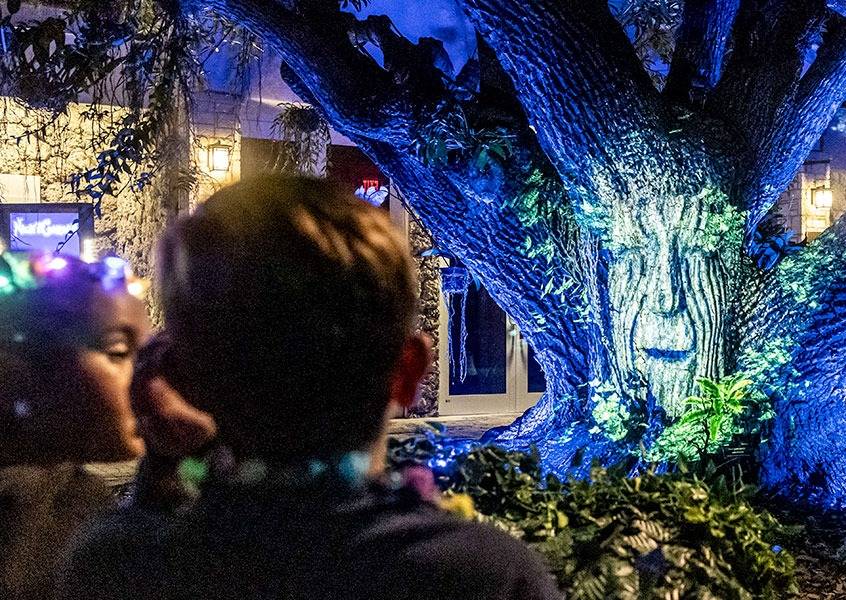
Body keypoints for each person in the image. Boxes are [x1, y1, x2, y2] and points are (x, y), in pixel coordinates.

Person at [60, 175, 562, 600]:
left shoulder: (115, 569)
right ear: (409, 371)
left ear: (185, 379)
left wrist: (165, 466)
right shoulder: (485, 577)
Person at [0, 252, 150, 600]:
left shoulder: (84, 498)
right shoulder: (74, 529)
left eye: (148, 352)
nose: (147, 376)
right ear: (20, 367)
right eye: (118, 352)